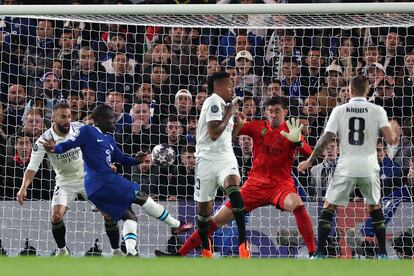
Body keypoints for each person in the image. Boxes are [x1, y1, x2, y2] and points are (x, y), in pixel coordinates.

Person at [156, 96, 317, 258]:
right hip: (253, 187)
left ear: (285, 112)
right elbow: (231, 129)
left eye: (277, 111)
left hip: (280, 186)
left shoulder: (292, 131)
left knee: (297, 204)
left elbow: (311, 156)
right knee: (215, 221)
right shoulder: (257, 127)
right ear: (266, 113)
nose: (273, 115)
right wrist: (232, 118)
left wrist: (299, 143)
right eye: (270, 111)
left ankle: (312, 253)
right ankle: (179, 254)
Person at [41, 104, 192, 256]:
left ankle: (131, 252)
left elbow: (122, 159)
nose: (114, 122)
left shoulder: (109, 140)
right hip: (103, 181)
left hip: (96, 191)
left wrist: (137, 160)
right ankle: (176, 224)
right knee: (142, 196)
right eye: (111, 119)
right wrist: (56, 148)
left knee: (129, 215)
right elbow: (70, 144)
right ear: (100, 119)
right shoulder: (88, 131)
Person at [298, 75, 397, 259]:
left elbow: (325, 138)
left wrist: (310, 161)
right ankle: (383, 254)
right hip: (369, 165)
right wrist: (393, 129)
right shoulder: (378, 110)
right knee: (375, 208)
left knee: (328, 207)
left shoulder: (339, 110)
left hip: (346, 166)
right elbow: (391, 140)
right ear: (368, 91)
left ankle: (319, 253)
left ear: (350, 90)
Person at [16, 103, 124, 256]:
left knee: (108, 213)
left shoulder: (80, 129)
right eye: (63, 117)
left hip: (88, 177)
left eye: (69, 116)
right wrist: (23, 187)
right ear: (53, 117)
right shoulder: (44, 141)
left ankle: (116, 250)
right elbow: (32, 167)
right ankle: (62, 251)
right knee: (56, 216)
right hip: (65, 181)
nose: (67, 120)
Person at [192, 71, 249, 258]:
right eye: (229, 85)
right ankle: (206, 248)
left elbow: (226, 139)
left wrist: (237, 125)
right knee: (204, 214)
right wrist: (230, 113)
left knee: (234, 189)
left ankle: (243, 244)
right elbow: (214, 133)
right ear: (218, 86)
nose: (232, 89)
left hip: (225, 157)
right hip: (206, 160)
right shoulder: (213, 101)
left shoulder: (224, 106)